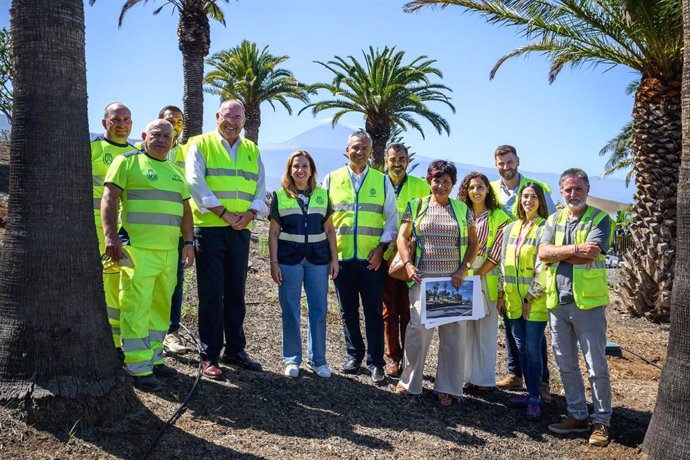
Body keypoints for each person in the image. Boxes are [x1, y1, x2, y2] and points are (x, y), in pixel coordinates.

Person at [101, 119, 195, 392]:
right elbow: (109, 198)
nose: (162, 138)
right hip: (138, 251)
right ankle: (138, 366)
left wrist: (188, 242)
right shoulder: (128, 161)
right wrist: (110, 236)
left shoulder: (176, 172)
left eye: (168, 135)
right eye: (156, 134)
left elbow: (186, 211)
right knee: (136, 306)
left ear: (173, 141)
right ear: (144, 135)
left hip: (169, 252)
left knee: (160, 309)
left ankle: (155, 358)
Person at [185, 100, 268, 379]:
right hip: (210, 228)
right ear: (217, 116)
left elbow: (260, 186)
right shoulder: (200, 143)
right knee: (210, 294)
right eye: (227, 116)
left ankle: (235, 349)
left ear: (245, 120)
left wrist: (251, 213)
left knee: (236, 291)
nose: (232, 121)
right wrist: (223, 213)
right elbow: (195, 181)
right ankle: (209, 355)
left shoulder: (251, 150)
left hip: (240, 230)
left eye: (238, 117)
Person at [538, 168, 612, 447]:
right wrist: (573, 250)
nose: (573, 194)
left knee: (596, 366)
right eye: (568, 190)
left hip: (588, 304)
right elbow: (543, 253)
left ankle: (602, 421)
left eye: (578, 189)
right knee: (566, 365)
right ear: (561, 192)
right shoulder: (554, 219)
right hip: (558, 302)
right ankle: (578, 414)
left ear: (587, 189)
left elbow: (591, 254)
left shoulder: (600, 219)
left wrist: (559, 253)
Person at [396, 161, 479, 406]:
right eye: (436, 180)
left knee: (453, 336)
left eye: (446, 182)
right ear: (428, 180)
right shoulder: (417, 205)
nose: (440, 185)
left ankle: (448, 388)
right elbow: (403, 236)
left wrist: (464, 269)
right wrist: (408, 264)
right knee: (418, 332)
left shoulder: (463, 209)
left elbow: (474, 243)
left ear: (453, 184)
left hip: (452, 282)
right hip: (423, 279)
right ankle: (409, 381)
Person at [322, 130, 398, 385]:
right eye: (355, 147)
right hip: (341, 259)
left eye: (364, 148)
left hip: (371, 260)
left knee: (374, 312)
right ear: (346, 150)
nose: (359, 151)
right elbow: (324, 220)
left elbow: (392, 221)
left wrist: (381, 250)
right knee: (347, 311)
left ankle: (376, 363)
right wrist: (331, 256)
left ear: (371, 152)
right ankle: (354, 355)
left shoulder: (381, 181)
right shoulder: (331, 180)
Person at [268, 150, 339, 379]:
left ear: (311, 170)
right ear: (289, 170)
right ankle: (292, 359)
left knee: (319, 309)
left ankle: (318, 360)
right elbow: (273, 233)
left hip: (317, 260)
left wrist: (334, 259)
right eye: (296, 166)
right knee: (290, 309)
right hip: (289, 260)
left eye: (305, 166)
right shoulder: (280, 196)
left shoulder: (322, 195)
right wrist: (273, 263)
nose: (300, 170)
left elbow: (329, 230)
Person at [491, 144, 553, 399]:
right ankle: (516, 375)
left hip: (533, 288)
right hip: (508, 278)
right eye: (501, 163)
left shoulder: (537, 188)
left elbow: (548, 248)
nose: (506, 167)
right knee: (512, 330)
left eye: (509, 162)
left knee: (534, 341)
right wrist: (502, 291)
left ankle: (541, 385)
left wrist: (532, 294)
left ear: (517, 161)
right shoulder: (493, 189)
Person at [137, 106, 190, 354]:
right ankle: (141, 338)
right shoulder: (142, 151)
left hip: (175, 229)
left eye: (179, 122)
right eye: (170, 121)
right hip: (144, 232)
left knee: (174, 284)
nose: (176, 125)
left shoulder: (187, 151)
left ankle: (170, 333)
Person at [498, 183, 550, 419]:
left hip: (534, 302)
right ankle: (529, 392)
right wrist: (500, 293)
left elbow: (545, 266)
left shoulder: (545, 228)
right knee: (521, 349)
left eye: (533, 197)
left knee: (532, 349)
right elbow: (502, 264)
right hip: (512, 300)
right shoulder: (511, 228)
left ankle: (536, 396)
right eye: (524, 196)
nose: (528, 200)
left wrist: (531, 295)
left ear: (540, 200)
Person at [457, 172, 510, 392]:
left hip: (484, 278)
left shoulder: (499, 216)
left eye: (480, 187)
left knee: (485, 332)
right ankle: (466, 376)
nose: (476, 191)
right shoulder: (460, 213)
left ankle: (485, 380)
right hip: (461, 277)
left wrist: (474, 275)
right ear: (465, 191)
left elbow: (496, 253)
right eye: (471, 188)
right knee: (464, 330)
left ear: (488, 189)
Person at [382, 143, 430, 377]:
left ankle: (411, 358)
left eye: (402, 159)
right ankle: (392, 357)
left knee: (410, 310)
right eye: (393, 159)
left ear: (408, 161)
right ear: (385, 160)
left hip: (413, 258)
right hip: (384, 256)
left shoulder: (421, 186)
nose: (397, 163)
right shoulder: (378, 183)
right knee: (388, 309)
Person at [91, 102, 136, 352]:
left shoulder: (135, 153)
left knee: (120, 281)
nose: (121, 125)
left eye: (126, 120)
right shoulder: (93, 148)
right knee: (107, 279)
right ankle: (110, 342)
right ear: (104, 123)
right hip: (95, 226)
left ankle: (118, 340)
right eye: (116, 120)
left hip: (125, 229)